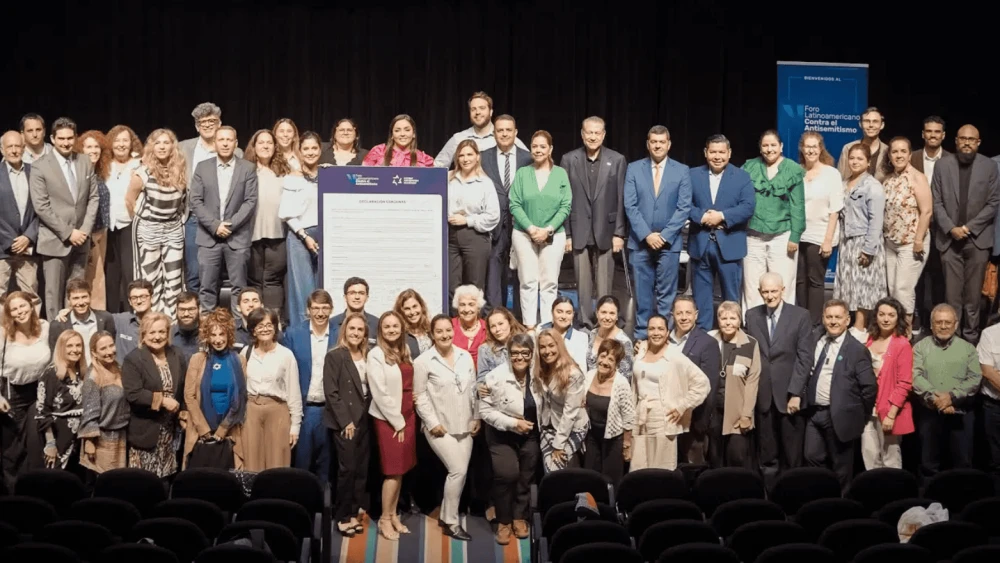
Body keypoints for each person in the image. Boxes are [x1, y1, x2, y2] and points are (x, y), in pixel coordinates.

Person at [788, 299, 877, 491]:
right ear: (823, 319)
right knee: (811, 457)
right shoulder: (815, 340)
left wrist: (859, 415)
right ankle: (820, 500)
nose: (833, 321)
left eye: (838, 317)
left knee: (841, 469)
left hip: (840, 417)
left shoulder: (857, 350)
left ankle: (841, 508)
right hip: (814, 414)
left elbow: (869, 388)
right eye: (829, 317)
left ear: (847, 320)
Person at [931, 124, 1000, 343]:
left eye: (971, 139)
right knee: (952, 297)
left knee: (972, 299)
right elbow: (937, 201)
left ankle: (970, 342)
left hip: (977, 240)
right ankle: (952, 341)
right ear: (956, 140)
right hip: (949, 241)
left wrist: (968, 228)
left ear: (978, 142)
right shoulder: (942, 165)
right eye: (962, 138)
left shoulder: (989, 166)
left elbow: (993, 202)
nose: (967, 142)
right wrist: (951, 228)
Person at [414, 314, 479, 541]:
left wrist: (477, 417)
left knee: (459, 473)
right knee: (458, 470)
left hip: (466, 426)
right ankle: (451, 522)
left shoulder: (465, 357)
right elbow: (419, 396)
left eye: (448, 330)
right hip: (440, 428)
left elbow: (473, 390)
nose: (444, 335)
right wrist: (432, 423)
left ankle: (445, 514)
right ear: (432, 334)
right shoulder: (423, 362)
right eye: (439, 331)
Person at [744, 272, 812, 489]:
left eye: (774, 291)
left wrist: (795, 393)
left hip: (789, 397)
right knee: (767, 455)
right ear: (759, 292)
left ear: (783, 290)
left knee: (792, 457)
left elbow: (805, 358)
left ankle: (791, 499)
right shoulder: (751, 315)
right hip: (763, 397)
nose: (770, 296)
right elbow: (747, 351)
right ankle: (769, 498)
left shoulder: (801, 316)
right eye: (765, 291)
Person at [28, 117, 99, 321]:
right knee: (53, 294)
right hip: (55, 239)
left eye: (70, 138)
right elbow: (41, 206)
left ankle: (75, 335)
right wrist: (69, 233)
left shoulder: (84, 161)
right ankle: (55, 335)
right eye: (61, 139)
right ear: (52, 138)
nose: (66, 143)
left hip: (81, 239)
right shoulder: (40, 166)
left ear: (75, 138)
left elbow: (93, 198)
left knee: (77, 292)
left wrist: (83, 231)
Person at [624, 125, 691, 338]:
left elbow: (684, 208)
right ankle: (642, 338)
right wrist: (647, 235)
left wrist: (664, 236)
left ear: (669, 144)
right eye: (654, 142)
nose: (658, 145)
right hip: (640, 242)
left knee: (666, 296)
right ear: (648, 144)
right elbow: (630, 205)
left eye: (662, 142)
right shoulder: (634, 169)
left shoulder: (682, 170)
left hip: (669, 244)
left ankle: (665, 337)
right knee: (642, 296)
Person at [561, 117, 627, 328]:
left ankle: (604, 322)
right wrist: (568, 234)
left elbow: (621, 199)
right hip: (579, 229)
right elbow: (565, 199)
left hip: (606, 231)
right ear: (582, 134)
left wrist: (619, 233)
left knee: (604, 283)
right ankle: (585, 322)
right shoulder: (569, 159)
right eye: (588, 132)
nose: (592, 136)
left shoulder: (616, 160)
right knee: (582, 283)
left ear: (603, 135)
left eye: (597, 133)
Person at [688, 134, 756, 328]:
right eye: (713, 152)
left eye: (721, 152)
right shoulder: (693, 175)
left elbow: (748, 206)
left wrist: (722, 216)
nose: (717, 156)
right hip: (700, 244)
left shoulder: (742, 176)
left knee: (731, 298)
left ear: (729, 153)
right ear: (705, 153)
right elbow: (684, 204)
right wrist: (703, 217)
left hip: (730, 245)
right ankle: (703, 337)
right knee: (701, 298)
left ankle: (731, 336)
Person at [190, 126, 258, 315]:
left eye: (229, 140)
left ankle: (239, 333)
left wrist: (229, 226)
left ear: (236, 143)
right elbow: (195, 200)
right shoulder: (202, 167)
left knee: (239, 289)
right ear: (215, 143)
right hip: (208, 238)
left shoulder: (248, 168)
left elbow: (250, 201)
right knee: (207, 288)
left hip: (237, 238)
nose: (225, 143)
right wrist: (214, 226)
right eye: (221, 140)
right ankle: (208, 334)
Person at [480, 333, 541, 545]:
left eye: (525, 353)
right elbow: (485, 412)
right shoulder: (495, 376)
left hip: (531, 434)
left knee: (526, 476)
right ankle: (504, 521)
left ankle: (519, 518)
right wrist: (514, 423)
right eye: (515, 353)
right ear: (508, 354)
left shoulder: (539, 374)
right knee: (507, 475)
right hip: (501, 434)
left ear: (532, 354)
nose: (520, 357)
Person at [178, 103, 243, 297]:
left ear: (220, 123)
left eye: (212, 121)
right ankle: (198, 318)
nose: (207, 125)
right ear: (197, 126)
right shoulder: (182, 148)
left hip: (226, 221)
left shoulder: (235, 151)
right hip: (194, 218)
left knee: (226, 274)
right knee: (194, 273)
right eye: (202, 122)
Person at [912, 304, 982, 482]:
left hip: (960, 413)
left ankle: (961, 506)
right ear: (931, 324)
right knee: (928, 465)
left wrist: (951, 397)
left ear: (956, 324)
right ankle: (929, 502)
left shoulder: (968, 349)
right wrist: (937, 398)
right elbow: (915, 376)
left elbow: (975, 378)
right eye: (939, 322)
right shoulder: (920, 347)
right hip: (929, 413)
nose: (943, 326)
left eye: (948, 322)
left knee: (962, 464)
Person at [630, 315, 709, 470]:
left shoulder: (674, 356)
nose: (656, 332)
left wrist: (683, 406)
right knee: (638, 469)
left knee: (661, 471)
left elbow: (703, 383)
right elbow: (635, 386)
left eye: (660, 329)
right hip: (640, 418)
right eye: (652, 328)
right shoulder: (641, 351)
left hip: (663, 420)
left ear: (667, 333)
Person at [509, 130, 572, 328]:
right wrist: (530, 228)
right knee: (527, 282)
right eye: (534, 146)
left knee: (549, 283)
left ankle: (545, 327)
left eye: (542, 146)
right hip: (524, 234)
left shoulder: (561, 174)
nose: (538, 150)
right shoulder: (522, 173)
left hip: (553, 235)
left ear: (550, 149)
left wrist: (548, 230)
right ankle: (529, 326)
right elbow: (514, 204)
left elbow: (566, 205)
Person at [124, 128, 188, 318]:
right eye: (157, 143)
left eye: (166, 143)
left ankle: (172, 321)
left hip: (173, 228)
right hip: (149, 228)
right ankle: (151, 320)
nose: (162, 146)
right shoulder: (142, 172)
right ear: (151, 147)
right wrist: (143, 219)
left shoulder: (180, 170)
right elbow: (130, 201)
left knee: (174, 278)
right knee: (150, 278)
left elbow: (183, 201)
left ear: (172, 147)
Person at [741, 130, 805, 311]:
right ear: (760, 148)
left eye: (773, 145)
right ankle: (752, 328)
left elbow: (798, 205)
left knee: (782, 284)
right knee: (752, 286)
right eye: (765, 145)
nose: (769, 149)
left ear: (781, 146)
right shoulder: (750, 167)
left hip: (782, 236)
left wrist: (795, 236)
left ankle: (784, 329)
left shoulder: (792, 169)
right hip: (753, 236)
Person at [368, 311, 417, 541]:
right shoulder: (376, 354)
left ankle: (393, 513)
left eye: (395, 326)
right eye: (386, 326)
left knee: (402, 471)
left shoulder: (404, 351)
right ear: (380, 330)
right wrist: (397, 421)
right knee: (392, 470)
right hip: (389, 418)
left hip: (408, 414)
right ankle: (384, 519)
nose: (391, 330)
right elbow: (379, 392)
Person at [121, 312, 187, 479]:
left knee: (167, 480)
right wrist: (162, 401)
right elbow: (133, 393)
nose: (157, 337)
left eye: (162, 332)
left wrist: (183, 412)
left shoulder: (176, 354)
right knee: (144, 484)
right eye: (152, 332)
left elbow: (183, 386)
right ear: (143, 335)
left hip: (171, 433)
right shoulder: (133, 359)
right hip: (146, 432)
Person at [324, 313, 372, 537]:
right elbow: (332, 393)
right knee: (347, 469)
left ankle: (353, 513)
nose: (355, 333)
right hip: (347, 422)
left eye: (360, 330)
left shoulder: (369, 355)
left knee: (361, 470)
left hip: (366, 419)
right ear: (345, 330)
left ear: (365, 334)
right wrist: (346, 421)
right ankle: (342, 516)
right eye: (352, 329)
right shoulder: (335, 356)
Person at [183, 308, 248, 469]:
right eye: (213, 335)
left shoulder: (239, 360)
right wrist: (204, 430)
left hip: (229, 432)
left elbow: (241, 398)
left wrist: (223, 428)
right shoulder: (197, 360)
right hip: (200, 433)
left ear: (229, 335)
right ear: (207, 336)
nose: (218, 339)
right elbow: (189, 396)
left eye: (222, 334)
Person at [833, 143, 887, 334]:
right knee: (848, 284)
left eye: (860, 158)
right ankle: (849, 322)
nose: (855, 162)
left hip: (864, 240)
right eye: (852, 158)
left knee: (864, 285)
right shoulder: (843, 183)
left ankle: (860, 326)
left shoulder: (873, 186)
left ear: (868, 162)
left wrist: (868, 248)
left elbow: (876, 220)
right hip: (847, 241)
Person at [284, 289, 336, 483]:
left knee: (327, 465)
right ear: (308, 310)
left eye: (324, 308)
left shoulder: (339, 334)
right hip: (303, 410)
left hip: (329, 410)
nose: (320, 313)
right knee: (301, 465)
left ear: (331, 309)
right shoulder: (293, 334)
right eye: (315, 308)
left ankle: (324, 508)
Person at [481, 115, 532, 313]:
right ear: (494, 133)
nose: (504, 134)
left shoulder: (528, 158)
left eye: (508, 130)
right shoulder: (483, 156)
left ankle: (520, 316)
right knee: (494, 268)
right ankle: (495, 314)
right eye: (500, 130)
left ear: (515, 133)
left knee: (521, 269)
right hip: (494, 223)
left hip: (521, 223)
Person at [0, 292, 52, 486]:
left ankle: (33, 487)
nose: (19, 312)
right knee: (13, 447)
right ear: (9, 314)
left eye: (22, 306)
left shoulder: (45, 327)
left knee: (35, 442)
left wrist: (64, 311)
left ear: (31, 306)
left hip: (39, 391)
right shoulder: (4, 334)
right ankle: (13, 492)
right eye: (14, 309)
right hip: (12, 393)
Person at [881, 137, 933, 331]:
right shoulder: (889, 179)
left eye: (903, 151)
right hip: (891, 244)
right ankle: (895, 332)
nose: (899, 155)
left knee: (903, 289)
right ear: (890, 155)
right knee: (893, 291)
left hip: (911, 243)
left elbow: (927, 211)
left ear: (910, 154)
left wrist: (918, 239)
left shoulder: (917, 178)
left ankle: (906, 333)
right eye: (895, 152)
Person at [242, 307, 301, 471]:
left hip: (277, 411)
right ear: (253, 331)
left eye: (269, 324)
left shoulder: (285, 355)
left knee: (277, 464)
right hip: (251, 411)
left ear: (275, 327)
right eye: (260, 326)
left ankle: (274, 496)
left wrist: (295, 426)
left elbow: (293, 392)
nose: (265, 329)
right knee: (251, 463)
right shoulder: (246, 353)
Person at [860, 297, 914, 470]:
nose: (886, 319)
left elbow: (905, 383)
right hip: (868, 410)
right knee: (869, 456)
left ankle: (894, 494)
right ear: (875, 316)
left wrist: (891, 414)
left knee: (890, 460)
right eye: (882, 314)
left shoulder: (902, 344)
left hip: (889, 410)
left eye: (891, 315)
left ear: (898, 318)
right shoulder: (870, 339)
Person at [279, 131, 326, 326]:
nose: (310, 152)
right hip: (300, 235)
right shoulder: (292, 178)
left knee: (322, 285)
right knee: (303, 286)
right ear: (299, 151)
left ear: (320, 150)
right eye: (306, 148)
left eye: (314, 148)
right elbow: (287, 213)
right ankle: (303, 328)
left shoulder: (327, 174)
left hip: (324, 234)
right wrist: (304, 236)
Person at [797, 132, 844, 324]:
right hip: (798, 235)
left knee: (815, 281)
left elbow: (835, 210)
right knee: (799, 281)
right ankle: (800, 321)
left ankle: (814, 324)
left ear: (820, 149)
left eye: (814, 146)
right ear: (802, 148)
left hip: (819, 235)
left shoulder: (831, 174)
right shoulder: (797, 171)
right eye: (807, 146)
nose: (810, 150)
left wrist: (827, 240)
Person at [244, 129, 291, 318]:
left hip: (277, 234)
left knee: (273, 281)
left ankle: (273, 322)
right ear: (254, 147)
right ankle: (254, 322)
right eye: (261, 143)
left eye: (269, 143)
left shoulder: (284, 170)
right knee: (254, 281)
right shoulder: (245, 169)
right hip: (250, 233)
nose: (265, 146)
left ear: (275, 146)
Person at [707, 301, 760, 468]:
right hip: (713, 411)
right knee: (715, 459)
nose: (728, 322)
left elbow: (752, 382)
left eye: (733, 318)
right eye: (724, 318)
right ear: (718, 320)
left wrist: (746, 415)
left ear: (739, 321)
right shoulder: (709, 340)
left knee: (737, 457)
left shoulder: (750, 344)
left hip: (737, 414)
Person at [670, 295, 721, 465]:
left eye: (688, 313)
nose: (684, 317)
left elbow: (711, 386)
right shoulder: (663, 340)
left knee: (692, 471)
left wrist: (701, 424)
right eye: (679, 313)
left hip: (693, 421)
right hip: (666, 420)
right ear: (672, 314)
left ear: (696, 315)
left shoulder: (708, 343)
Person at [26, 330, 86, 473]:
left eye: (78, 345)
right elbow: (42, 412)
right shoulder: (51, 374)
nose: (75, 350)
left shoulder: (82, 371)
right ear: (61, 348)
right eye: (69, 346)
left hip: (78, 440)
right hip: (57, 437)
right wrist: (50, 443)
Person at [446, 140, 499, 298]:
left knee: (474, 287)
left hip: (475, 236)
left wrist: (468, 220)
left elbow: (493, 215)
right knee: (450, 287)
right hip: (450, 238)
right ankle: (452, 322)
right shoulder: (448, 179)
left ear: (477, 157)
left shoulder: (485, 183)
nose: (465, 158)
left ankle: (475, 323)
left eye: (469, 154)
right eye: (461, 155)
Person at [534, 328, 589, 472]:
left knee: (555, 467)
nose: (547, 351)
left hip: (572, 427)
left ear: (559, 345)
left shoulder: (573, 374)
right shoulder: (540, 369)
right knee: (549, 469)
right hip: (549, 424)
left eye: (551, 345)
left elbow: (570, 412)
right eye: (542, 347)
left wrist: (558, 444)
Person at [582, 339, 635, 486]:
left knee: (610, 481)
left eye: (610, 359)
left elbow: (629, 417)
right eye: (602, 356)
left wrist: (626, 445)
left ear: (617, 363)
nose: (604, 362)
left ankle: (611, 509)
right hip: (592, 436)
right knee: (590, 478)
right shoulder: (589, 375)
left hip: (613, 440)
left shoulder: (621, 383)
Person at [103, 125, 142, 314]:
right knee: (110, 276)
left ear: (131, 143)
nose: (121, 144)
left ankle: (130, 315)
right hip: (107, 227)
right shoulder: (104, 165)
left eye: (125, 140)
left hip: (130, 225)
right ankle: (111, 317)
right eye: (117, 140)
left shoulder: (139, 164)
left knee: (129, 274)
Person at [78, 331, 129, 474]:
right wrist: (89, 442)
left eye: (111, 345)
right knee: (104, 484)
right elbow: (89, 412)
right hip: (101, 441)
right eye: (103, 348)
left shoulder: (118, 368)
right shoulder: (93, 377)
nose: (109, 351)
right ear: (94, 353)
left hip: (121, 437)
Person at [434, 91, 527, 167]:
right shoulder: (458, 138)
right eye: (473, 109)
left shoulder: (506, 137)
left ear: (491, 112)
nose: (477, 112)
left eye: (482, 108)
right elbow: (437, 168)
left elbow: (531, 163)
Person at [0, 131, 39, 296]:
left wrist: (28, 236)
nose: (14, 150)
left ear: (24, 148)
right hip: (1, 248)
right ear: (2, 150)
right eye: (10, 146)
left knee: (31, 296)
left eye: (18, 146)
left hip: (27, 247)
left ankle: (33, 323)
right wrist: (11, 241)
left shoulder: (35, 173)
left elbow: (43, 209)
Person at [76, 130, 112, 310]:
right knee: (92, 280)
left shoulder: (99, 172)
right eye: (88, 146)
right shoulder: (78, 173)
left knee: (97, 279)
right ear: (80, 149)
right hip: (87, 234)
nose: (93, 150)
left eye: (97, 146)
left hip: (101, 233)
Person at [48, 278, 116, 366]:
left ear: (90, 297)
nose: (81, 302)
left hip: (100, 373)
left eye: (84, 297)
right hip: (72, 375)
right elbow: (56, 357)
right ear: (69, 300)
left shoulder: (106, 318)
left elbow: (111, 347)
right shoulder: (58, 325)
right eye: (76, 298)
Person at [837, 107, 890, 182]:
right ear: (860, 124)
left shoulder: (888, 151)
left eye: (875, 121)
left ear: (882, 125)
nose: (871, 125)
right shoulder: (848, 148)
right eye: (867, 121)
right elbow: (841, 178)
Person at [535, 296, 588, 370]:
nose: (564, 316)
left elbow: (582, 369)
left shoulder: (581, 337)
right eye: (559, 312)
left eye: (568, 313)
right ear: (552, 312)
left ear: (573, 315)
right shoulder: (540, 331)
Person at [363, 114, 434, 167]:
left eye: (407, 130)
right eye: (397, 130)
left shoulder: (424, 159)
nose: (402, 134)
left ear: (413, 134)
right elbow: (362, 178)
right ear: (392, 135)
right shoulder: (378, 151)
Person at [586, 295, 633, 375]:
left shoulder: (624, 342)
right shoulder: (592, 334)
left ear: (617, 316)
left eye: (612, 313)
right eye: (603, 312)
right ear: (597, 313)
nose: (607, 317)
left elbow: (625, 375)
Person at [477, 306, 528, 378]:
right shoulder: (484, 349)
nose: (497, 329)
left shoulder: (525, 342)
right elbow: (481, 378)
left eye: (501, 324)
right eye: (493, 326)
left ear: (510, 323)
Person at [330, 277, 379, 342]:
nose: (357, 297)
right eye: (352, 293)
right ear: (345, 297)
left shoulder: (377, 324)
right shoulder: (332, 323)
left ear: (367, 298)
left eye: (361, 293)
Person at [451, 285, 488, 366]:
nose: (466, 310)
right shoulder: (449, 326)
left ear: (478, 307)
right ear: (457, 307)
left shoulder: (487, 328)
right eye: (462, 305)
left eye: (471, 304)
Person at [394, 288, 433, 358]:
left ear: (421, 306)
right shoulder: (399, 335)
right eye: (407, 309)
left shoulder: (430, 330)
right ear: (401, 312)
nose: (412, 312)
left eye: (415, 306)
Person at [171, 292, 201, 361]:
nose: (186, 314)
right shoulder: (167, 335)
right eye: (182, 309)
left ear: (199, 309)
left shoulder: (209, 335)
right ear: (176, 310)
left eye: (191, 309)